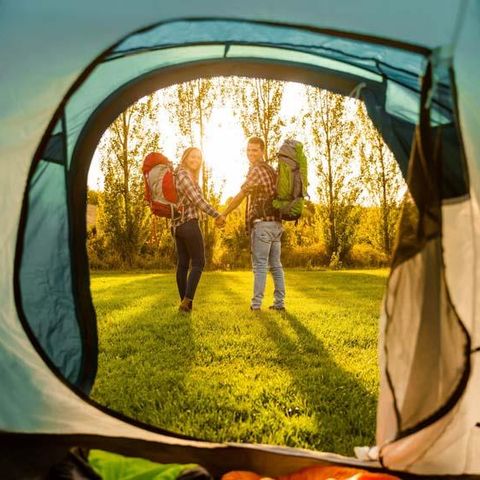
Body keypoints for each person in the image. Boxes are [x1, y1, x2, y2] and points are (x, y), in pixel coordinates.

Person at [217, 137, 285, 311]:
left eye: (255, 150)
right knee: (276, 266)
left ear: (262, 151)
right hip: (276, 224)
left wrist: (224, 213)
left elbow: (241, 195)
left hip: (263, 225)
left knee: (260, 265)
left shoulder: (257, 171)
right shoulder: (270, 170)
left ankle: (256, 305)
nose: (251, 153)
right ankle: (279, 303)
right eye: (249, 150)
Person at [174, 147, 225, 313]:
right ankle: (187, 300)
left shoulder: (181, 174)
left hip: (177, 225)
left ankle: (185, 305)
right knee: (199, 262)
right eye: (192, 156)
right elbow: (197, 200)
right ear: (185, 157)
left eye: (198, 157)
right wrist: (216, 214)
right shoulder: (183, 175)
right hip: (188, 223)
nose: (195, 159)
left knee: (183, 264)